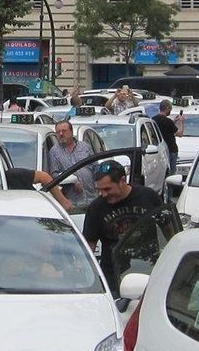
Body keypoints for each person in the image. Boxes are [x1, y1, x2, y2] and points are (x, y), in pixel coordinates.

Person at [82, 160, 166, 288]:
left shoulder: (148, 197)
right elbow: (89, 247)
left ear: (122, 180)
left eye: (107, 189)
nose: (103, 194)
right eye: (99, 190)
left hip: (151, 273)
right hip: (114, 279)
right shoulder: (96, 208)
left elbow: (169, 231)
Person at [45, 119, 96, 206]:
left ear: (71, 132)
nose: (61, 134)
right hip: (73, 201)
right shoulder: (54, 152)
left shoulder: (85, 147)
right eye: (58, 132)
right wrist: (73, 181)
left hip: (92, 197)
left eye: (64, 131)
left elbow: (95, 167)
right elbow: (54, 175)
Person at [153, 99, 179, 173]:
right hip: (171, 149)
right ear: (167, 108)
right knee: (172, 172)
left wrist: (174, 121)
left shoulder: (153, 120)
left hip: (159, 149)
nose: (170, 111)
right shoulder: (168, 121)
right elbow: (179, 133)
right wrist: (181, 122)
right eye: (170, 109)